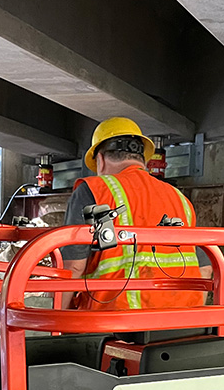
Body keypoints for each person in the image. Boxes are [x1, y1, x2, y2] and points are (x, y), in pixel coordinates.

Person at [62, 117, 212, 310]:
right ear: (143, 159)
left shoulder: (94, 190)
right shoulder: (179, 198)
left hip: (115, 324)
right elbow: (205, 269)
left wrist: (58, 325)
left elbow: (73, 267)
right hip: (180, 325)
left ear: (99, 160)